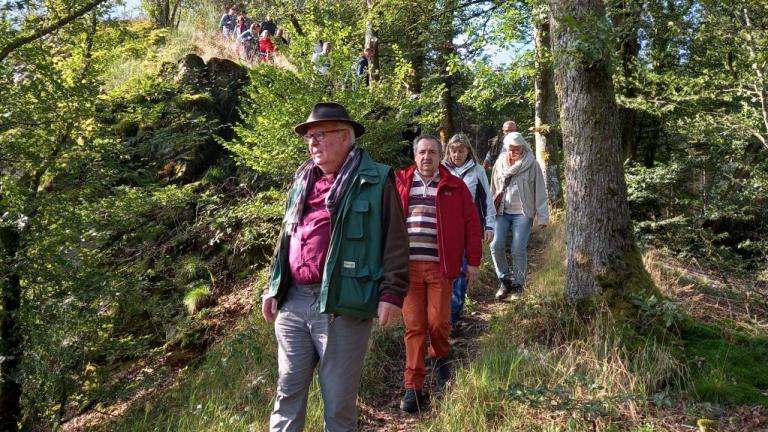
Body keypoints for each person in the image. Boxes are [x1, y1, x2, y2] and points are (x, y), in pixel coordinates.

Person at [262, 102, 410, 431]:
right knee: (287, 392)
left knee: (338, 401)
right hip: (294, 301)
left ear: (346, 137)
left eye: (320, 135)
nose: (312, 142)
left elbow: (396, 241)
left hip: (343, 304)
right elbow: (287, 237)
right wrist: (273, 287)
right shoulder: (302, 181)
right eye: (309, 137)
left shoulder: (375, 180)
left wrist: (393, 292)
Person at [394, 135, 482, 413]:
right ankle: (414, 389)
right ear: (415, 155)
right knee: (415, 328)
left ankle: (441, 356)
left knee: (438, 323)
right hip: (407, 269)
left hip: (441, 268)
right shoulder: (400, 183)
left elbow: (472, 223)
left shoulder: (454, 186)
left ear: (439, 154)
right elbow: (386, 223)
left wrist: (474, 261)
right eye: (422, 152)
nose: (427, 157)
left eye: (432, 152)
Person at [441, 133, 496, 330]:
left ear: (468, 151)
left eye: (461, 151)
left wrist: (489, 225)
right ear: (448, 151)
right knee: (444, 274)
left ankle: (453, 318)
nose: (457, 154)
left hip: (468, 229)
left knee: (462, 272)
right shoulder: (441, 170)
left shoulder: (477, 170)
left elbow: (486, 200)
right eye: (453, 151)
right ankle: (443, 317)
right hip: (444, 230)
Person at [489, 132, 549, 301]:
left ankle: (518, 285)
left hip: (523, 213)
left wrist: (543, 217)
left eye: (516, 149)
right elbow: (493, 189)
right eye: (510, 149)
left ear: (522, 148)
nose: (512, 152)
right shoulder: (499, 164)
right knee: (495, 244)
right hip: (501, 212)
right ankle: (504, 280)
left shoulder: (532, 164)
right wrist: (488, 214)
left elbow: (540, 191)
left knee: (517, 248)